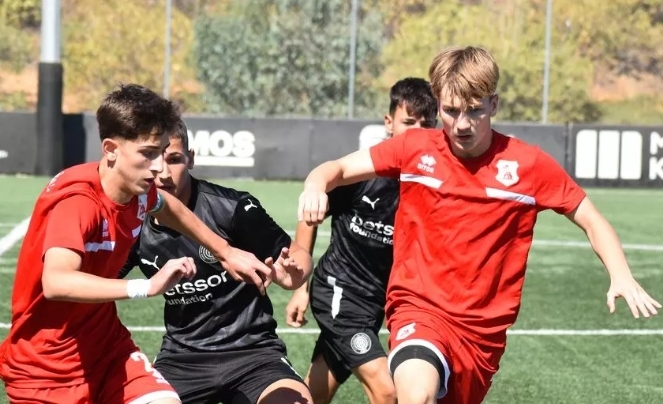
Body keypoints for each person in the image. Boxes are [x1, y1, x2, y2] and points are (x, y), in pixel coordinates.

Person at [296, 46, 661, 404]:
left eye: (474, 110)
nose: (462, 124)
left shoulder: (528, 165)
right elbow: (337, 168)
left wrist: (621, 274)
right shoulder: (414, 148)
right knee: (415, 393)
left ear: (494, 104)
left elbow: (590, 217)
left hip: (481, 334)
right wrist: (315, 185)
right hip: (418, 308)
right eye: (451, 111)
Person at [0, 83, 275, 404]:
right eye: (147, 153)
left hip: (108, 350)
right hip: (45, 367)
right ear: (110, 149)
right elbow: (56, 282)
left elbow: (168, 207)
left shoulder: (137, 191)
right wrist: (146, 287)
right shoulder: (77, 203)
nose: (158, 167)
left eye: (162, 152)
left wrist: (224, 251)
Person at [118, 117, 315, 404]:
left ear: (191, 158)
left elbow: (298, 255)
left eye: (174, 159)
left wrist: (294, 275)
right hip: (182, 359)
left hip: (254, 354)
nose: (163, 173)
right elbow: (99, 280)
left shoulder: (233, 207)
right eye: (153, 159)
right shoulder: (133, 221)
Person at [284, 77, 437, 404]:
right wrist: (300, 286)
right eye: (408, 123)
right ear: (389, 123)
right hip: (340, 292)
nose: (417, 133)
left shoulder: (432, 183)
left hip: (377, 300)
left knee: (315, 392)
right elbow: (310, 214)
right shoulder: (363, 174)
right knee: (388, 391)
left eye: (426, 125)